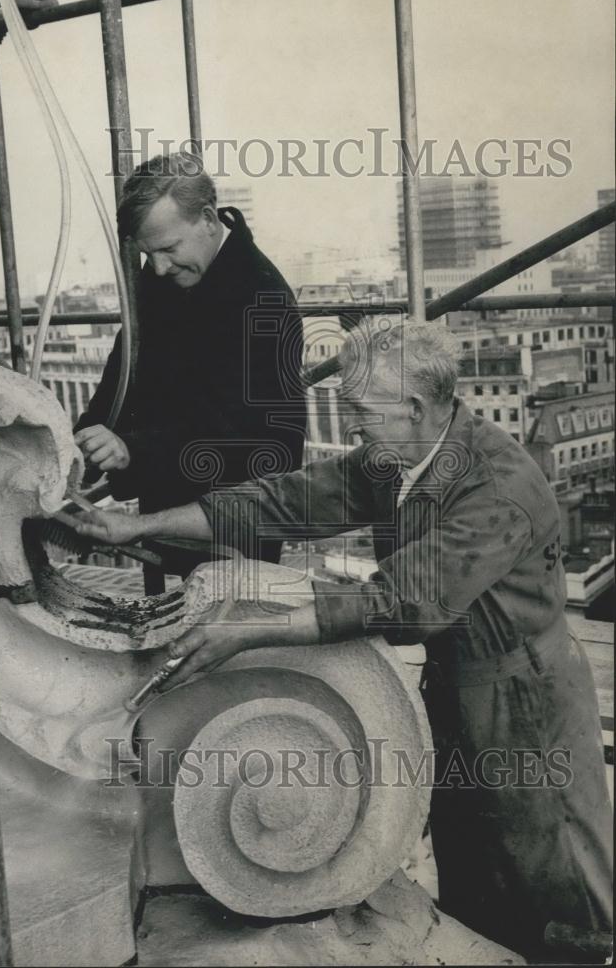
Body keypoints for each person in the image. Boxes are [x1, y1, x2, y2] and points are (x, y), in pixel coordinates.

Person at [69, 316, 613, 959]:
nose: (349, 425)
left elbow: (405, 601)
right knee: (476, 883)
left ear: (412, 407)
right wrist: (136, 526)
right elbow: (285, 500)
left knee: (556, 882)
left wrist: (251, 630)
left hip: (525, 701)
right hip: (458, 686)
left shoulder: (496, 485)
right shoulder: (400, 453)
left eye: (359, 408)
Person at [74, 151, 306, 575]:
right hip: (165, 505)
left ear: (208, 219)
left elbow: (258, 441)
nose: (159, 267)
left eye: (168, 248)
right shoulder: (171, 270)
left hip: (233, 530)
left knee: (219, 629)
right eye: (149, 254)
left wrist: (131, 449)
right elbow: (126, 367)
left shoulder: (264, 300)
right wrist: (88, 442)